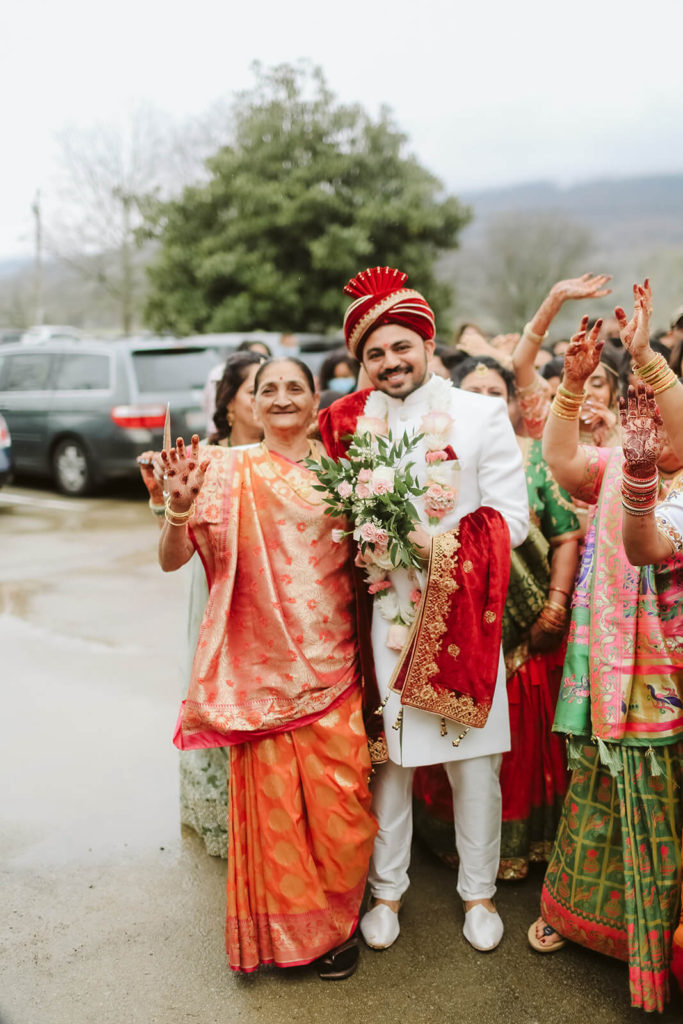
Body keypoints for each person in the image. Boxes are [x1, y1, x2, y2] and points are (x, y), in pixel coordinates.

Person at [319, 266, 529, 953]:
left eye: (400, 346)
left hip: (462, 613)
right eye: (373, 352)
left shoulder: (477, 414)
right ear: (361, 362)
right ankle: (387, 892)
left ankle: (477, 893)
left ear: (427, 343)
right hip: (382, 616)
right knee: (392, 762)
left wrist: (437, 546)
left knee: (473, 765)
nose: (388, 362)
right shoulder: (349, 425)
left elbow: (513, 520)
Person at [153, 357, 378, 979]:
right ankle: (292, 938)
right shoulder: (224, 470)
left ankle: (339, 921)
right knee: (279, 816)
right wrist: (177, 509)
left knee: (344, 811)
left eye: (294, 388)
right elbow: (173, 561)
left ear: (315, 401)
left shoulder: (350, 475)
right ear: (250, 402)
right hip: (261, 672)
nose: (280, 398)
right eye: (267, 389)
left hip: (336, 667)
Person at [528, 289, 683, 1013]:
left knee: (655, 797)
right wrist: (567, 385)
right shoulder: (619, 462)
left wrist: (647, 360)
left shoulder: (662, 476)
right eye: (640, 402)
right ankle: (581, 919)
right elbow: (559, 461)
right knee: (592, 783)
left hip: (661, 673)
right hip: (603, 660)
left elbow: (642, 543)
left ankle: (652, 940)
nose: (647, 419)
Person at [412, 355, 580, 880]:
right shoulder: (432, 455)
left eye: (495, 390)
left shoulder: (533, 460)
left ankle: (517, 849)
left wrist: (553, 606)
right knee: (455, 743)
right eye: (473, 389)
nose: (485, 398)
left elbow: (565, 534)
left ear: (510, 402)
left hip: (521, 628)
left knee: (519, 750)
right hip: (455, 620)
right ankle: (454, 846)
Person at [139, 352, 265, 858]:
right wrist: (161, 498)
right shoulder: (206, 457)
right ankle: (223, 819)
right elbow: (176, 533)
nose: (267, 400)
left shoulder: (294, 455)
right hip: (217, 595)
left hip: (275, 600)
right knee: (218, 696)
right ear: (228, 404)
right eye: (254, 390)